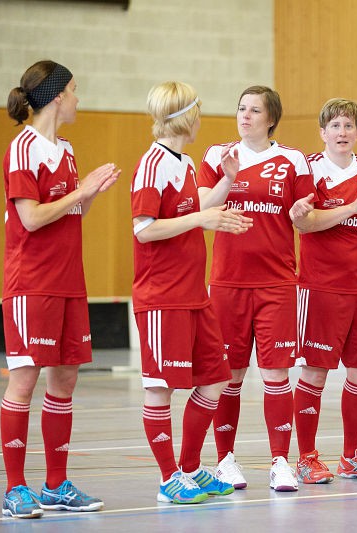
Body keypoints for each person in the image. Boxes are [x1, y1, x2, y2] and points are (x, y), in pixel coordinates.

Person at [0, 60, 120, 518]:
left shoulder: (66, 151)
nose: (77, 98)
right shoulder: (22, 149)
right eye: (73, 90)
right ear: (54, 97)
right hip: (32, 284)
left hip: (70, 281)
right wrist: (80, 191)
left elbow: (71, 216)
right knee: (25, 379)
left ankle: (56, 484)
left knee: (66, 378)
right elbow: (31, 218)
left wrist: (90, 194)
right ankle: (15, 489)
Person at [131, 81, 253, 504]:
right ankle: (169, 479)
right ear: (185, 115)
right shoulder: (153, 164)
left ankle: (189, 468)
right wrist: (204, 220)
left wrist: (226, 184)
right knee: (161, 387)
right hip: (162, 296)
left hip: (192, 295)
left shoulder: (181, 162)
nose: (202, 118)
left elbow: (197, 211)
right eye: (198, 110)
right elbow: (144, 229)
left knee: (215, 379)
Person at [198, 86, 317, 492]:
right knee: (229, 374)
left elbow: (305, 215)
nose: (245, 116)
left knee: (276, 372)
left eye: (255, 110)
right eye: (241, 109)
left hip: (277, 281)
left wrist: (302, 212)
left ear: (271, 118)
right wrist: (229, 179)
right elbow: (202, 209)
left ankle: (280, 461)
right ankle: (225, 460)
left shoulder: (293, 159)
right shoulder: (218, 155)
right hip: (228, 281)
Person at [290, 98, 357, 484]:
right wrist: (353, 204)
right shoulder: (310, 169)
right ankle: (307, 457)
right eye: (335, 126)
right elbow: (308, 224)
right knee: (315, 372)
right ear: (322, 133)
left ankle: (352, 455)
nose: (342, 133)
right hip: (320, 287)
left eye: (348, 126)